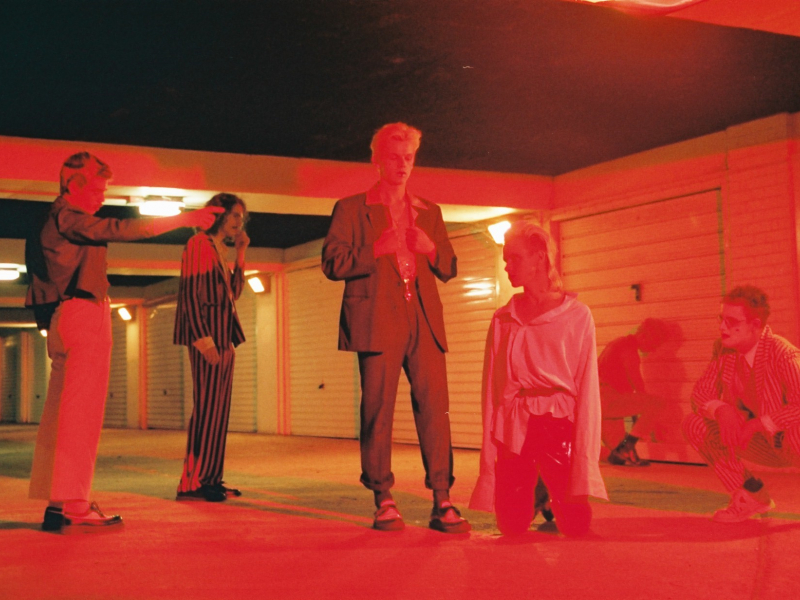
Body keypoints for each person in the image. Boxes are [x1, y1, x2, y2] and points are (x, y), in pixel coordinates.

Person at [26, 152, 222, 532]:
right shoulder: (68, 218)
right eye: (97, 189)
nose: (102, 197)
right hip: (83, 315)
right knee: (82, 417)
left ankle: (58, 504)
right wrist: (184, 219)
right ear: (73, 185)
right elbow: (121, 229)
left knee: (62, 418)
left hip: (63, 318)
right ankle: (76, 505)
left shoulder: (50, 220)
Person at [321, 122, 470, 533]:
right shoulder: (351, 208)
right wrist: (376, 249)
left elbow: (450, 267)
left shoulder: (429, 211)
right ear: (377, 160)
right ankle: (383, 498)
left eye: (409, 157)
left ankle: (443, 499)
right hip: (376, 318)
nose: (402, 165)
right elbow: (332, 262)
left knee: (435, 410)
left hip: (423, 318)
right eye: (394, 157)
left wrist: (432, 249)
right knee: (377, 411)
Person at [469, 221, 608, 536]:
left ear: (540, 259)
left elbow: (587, 387)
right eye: (505, 258)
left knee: (575, 523)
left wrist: (585, 451)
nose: (507, 266)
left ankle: (549, 503)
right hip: (515, 424)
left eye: (514, 258)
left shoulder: (576, 316)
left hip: (558, 423)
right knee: (511, 524)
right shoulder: (504, 318)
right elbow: (491, 388)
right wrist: (493, 443)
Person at [683, 285, 800, 523]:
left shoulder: (783, 353)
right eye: (721, 319)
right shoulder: (724, 350)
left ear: (755, 325)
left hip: (790, 439)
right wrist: (722, 409)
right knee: (695, 424)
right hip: (765, 443)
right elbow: (700, 393)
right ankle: (752, 496)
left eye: (731, 321)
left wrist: (760, 423)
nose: (722, 327)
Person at [173, 194, 250, 502]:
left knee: (219, 411)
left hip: (224, 337)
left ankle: (211, 478)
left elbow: (233, 294)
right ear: (217, 214)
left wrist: (241, 254)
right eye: (233, 215)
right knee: (207, 409)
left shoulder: (219, 249)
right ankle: (192, 483)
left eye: (241, 218)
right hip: (208, 339)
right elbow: (190, 293)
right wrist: (204, 341)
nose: (237, 223)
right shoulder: (198, 245)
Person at [598, 318, 668, 466]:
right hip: (607, 399)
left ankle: (617, 451)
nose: (653, 349)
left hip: (600, 403)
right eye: (654, 344)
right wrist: (652, 424)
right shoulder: (628, 348)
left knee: (619, 455)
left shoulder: (616, 344)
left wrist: (640, 426)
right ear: (644, 336)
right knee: (657, 403)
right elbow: (637, 384)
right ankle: (626, 446)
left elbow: (631, 401)